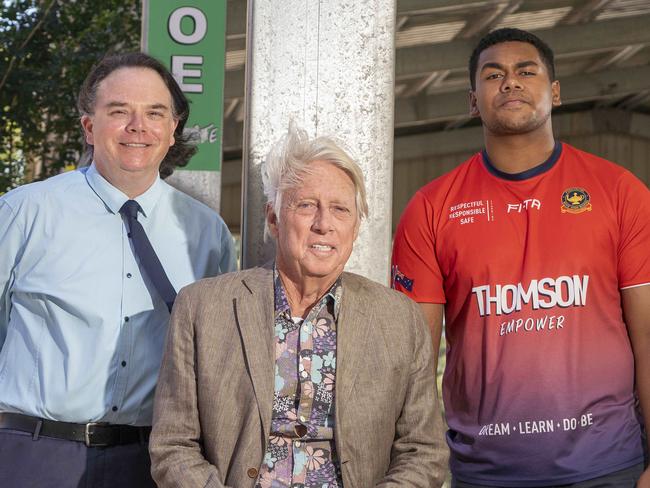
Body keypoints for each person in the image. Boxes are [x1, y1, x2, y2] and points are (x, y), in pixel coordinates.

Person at [392, 27, 650, 488]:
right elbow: (412, 365)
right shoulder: (431, 208)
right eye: (494, 75)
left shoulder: (619, 192)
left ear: (554, 91)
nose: (510, 82)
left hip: (611, 468)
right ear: (473, 101)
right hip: (483, 474)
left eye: (525, 71)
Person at [149, 125, 449, 487]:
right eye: (307, 205)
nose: (324, 224)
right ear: (274, 219)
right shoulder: (202, 309)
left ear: (355, 227)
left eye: (340, 210)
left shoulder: (399, 319)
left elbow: (423, 450)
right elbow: (173, 446)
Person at [0, 52, 236, 487]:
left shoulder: (207, 235)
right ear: (89, 127)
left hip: (151, 465)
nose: (137, 127)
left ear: (173, 129)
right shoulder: (24, 213)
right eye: (119, 112)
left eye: (154, 113)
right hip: (32, 458)